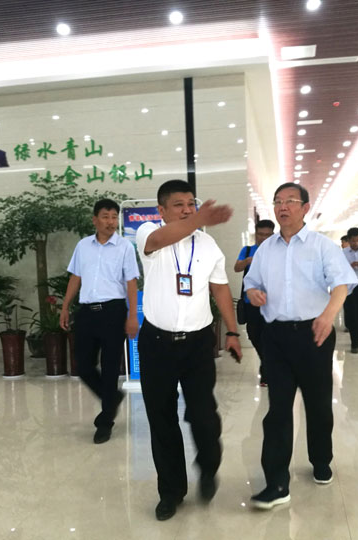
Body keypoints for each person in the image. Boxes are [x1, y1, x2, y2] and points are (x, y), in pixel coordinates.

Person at [244, 182, 358, 510]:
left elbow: (342, 284)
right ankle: (276, 482)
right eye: (278, 201)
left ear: (305, 208)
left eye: (290, 201)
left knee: (318, 404)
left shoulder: (322, 246)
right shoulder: (265, 249)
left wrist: (328, 316)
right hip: (276, 336)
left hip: (314, 334)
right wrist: (253, 293)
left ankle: (321, 459)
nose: (283, 207)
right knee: (278, 409)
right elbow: (251, 283)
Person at [135, 179, 243, 521]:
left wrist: (233, 331)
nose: (187, 210)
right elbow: (157, 241)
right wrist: (199, 219)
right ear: (161, 209)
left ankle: (209, 466)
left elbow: (220, 288)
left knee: (204, 415)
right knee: (161, 419)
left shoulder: (208, 244)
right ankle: (171, 492)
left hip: (197, 344)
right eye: (178, 205)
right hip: (157, 344)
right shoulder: (149, 233)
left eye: (191, 204)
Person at [59, 199, 139, 444]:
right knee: (83, 366)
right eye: (105, 216)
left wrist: (132, 316)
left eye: (114, 217)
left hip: (113, 311)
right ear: (95, 220)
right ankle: (112, 397)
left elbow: (131, 283)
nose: (111, 222)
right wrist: (65, 307)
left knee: (110, 367)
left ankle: (105, 422)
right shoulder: (83, 246)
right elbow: (75, 277)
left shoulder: (125, 247)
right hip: (86, 312)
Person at [234, 219, 275, 386]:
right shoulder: (248, 250)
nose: (263, 238)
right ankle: (266, 363)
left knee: (268, 337)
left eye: (267, 235)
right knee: (254, 335)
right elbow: (237, 267)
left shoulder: (277, 251)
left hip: (271, 303)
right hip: (250, 302)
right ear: (255, 234)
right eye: (260, 234)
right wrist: (248, 261)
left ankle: (266, 371)